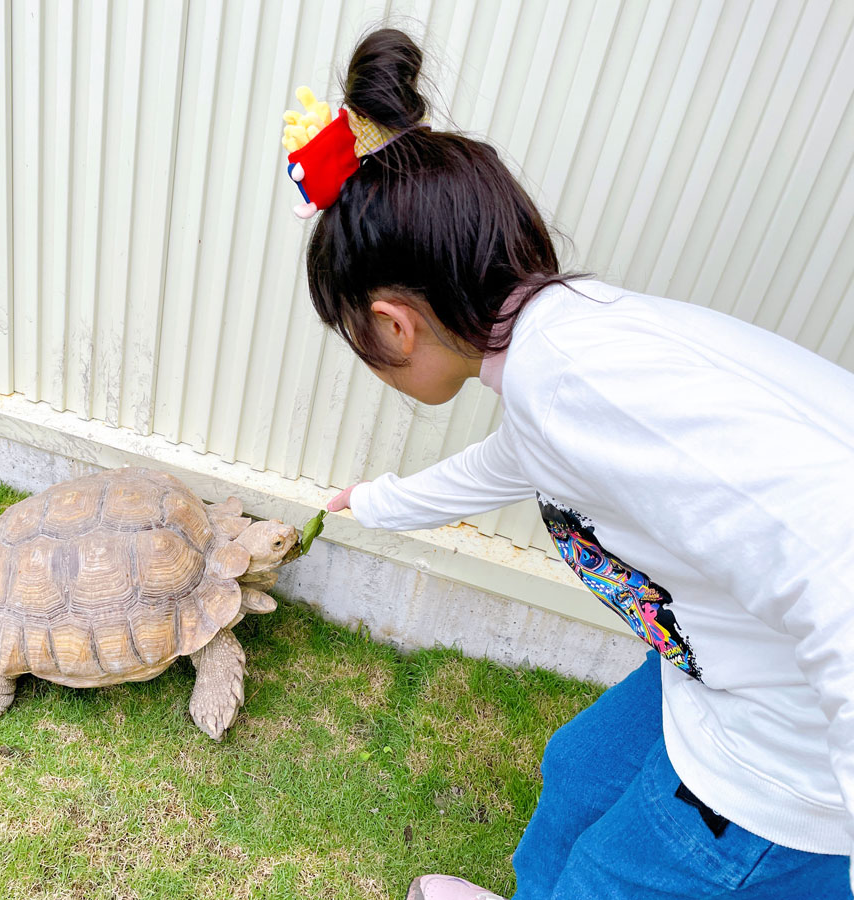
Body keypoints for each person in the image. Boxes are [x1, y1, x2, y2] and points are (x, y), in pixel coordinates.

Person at [291, 27, 854, 900]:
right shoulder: (559, 352)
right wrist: (376, 501)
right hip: (720, 670)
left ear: (393, 324)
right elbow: (507, 463)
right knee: (580, 769)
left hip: (789, 762)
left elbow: (836, 562)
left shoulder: (579, 389)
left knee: (606, 879)